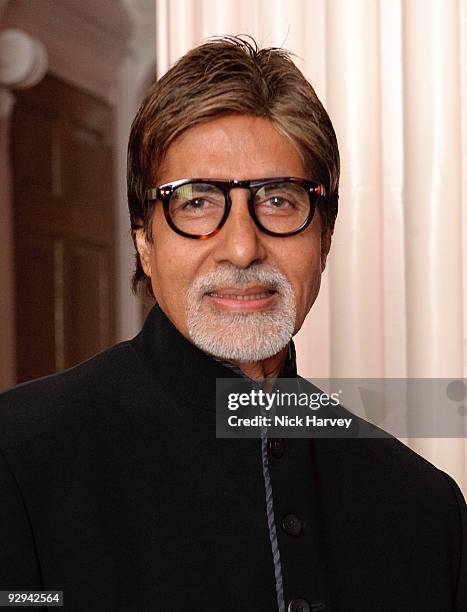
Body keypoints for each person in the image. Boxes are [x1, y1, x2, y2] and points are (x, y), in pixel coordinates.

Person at [0, 36, 465, 612]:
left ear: (325, 237)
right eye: (195, 202)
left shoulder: (425, 508)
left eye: (279, 200)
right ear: (144, 240)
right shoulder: (19, 455)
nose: (242, 247)